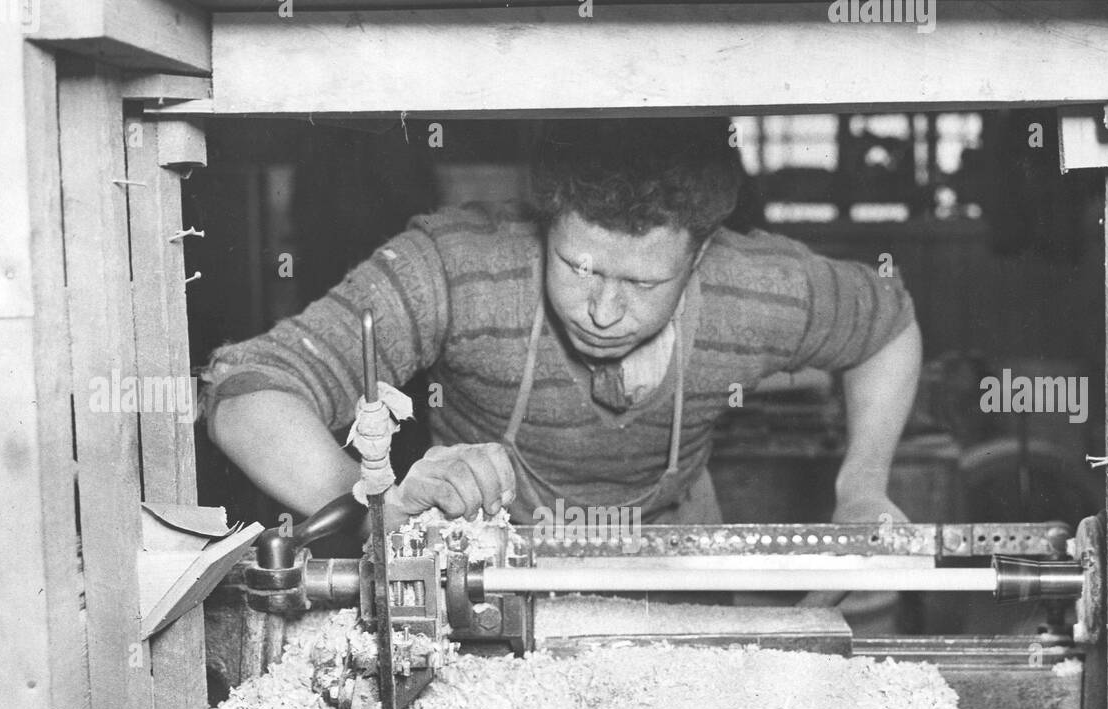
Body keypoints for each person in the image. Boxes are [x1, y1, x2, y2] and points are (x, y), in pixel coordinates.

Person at [203, 118, 921, 539]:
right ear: (546, 225)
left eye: (643, 283)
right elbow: (245, 391)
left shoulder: (755, 285)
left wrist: (862, 484)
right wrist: (374, 510)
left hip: (673, 586)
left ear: (702, 253)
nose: (604, 311)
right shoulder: (457, 267)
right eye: (578, 267)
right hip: (489, 583)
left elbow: (888, 323)